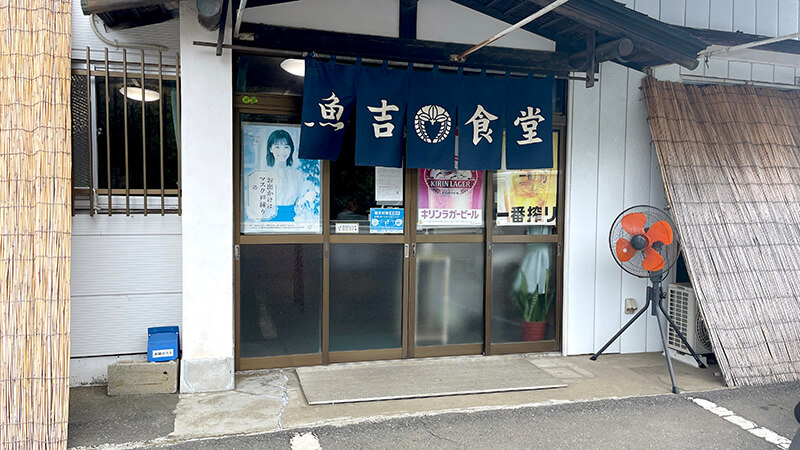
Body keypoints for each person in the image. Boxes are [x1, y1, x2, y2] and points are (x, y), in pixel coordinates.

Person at [264, 129, 316, 222]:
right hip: (269, 220)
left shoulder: (298, 174)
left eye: (286, 147)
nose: (282, 151)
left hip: (292, 219)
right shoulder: (265, 174)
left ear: (291, 149)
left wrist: (307, 197)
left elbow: (301, 198)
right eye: (277, 147)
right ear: (270, 149)